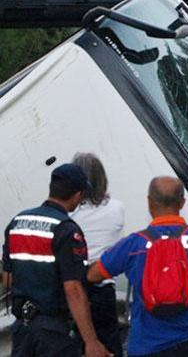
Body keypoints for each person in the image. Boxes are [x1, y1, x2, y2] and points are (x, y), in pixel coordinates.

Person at [88, 177, 188, 355]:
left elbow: (94, 275)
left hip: (145, 346)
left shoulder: (134, 244)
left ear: (149, 202)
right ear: (182, 203)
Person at [3, 164, 110, 357]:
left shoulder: (17, 222)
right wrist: (91, 342)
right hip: (53, 333)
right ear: (78, 195)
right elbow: (73, 289)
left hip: (22, 329)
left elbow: (8, 278)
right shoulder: (67, 229)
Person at [70, 153, 125, 357]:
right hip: (103, 288)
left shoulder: (68, 214)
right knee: (110, 343)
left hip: (73, 288)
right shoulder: (116, 208)